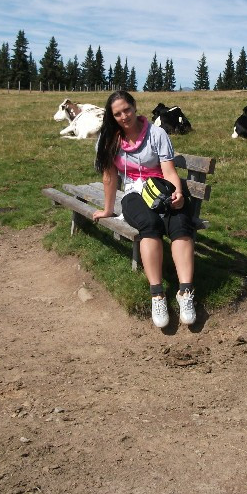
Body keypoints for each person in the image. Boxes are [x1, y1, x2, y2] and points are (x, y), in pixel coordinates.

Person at [92, 90, 196, 328]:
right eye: (117, 114)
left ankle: (185, 292)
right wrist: (108, 209)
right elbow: (109, 177)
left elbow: (169, 171)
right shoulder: (108, 138)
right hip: (133, 195)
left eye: (127, 110)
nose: (124, 116)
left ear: (135, 107)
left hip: (161, 188)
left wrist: (177, 192)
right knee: (150, 224)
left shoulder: (157, 134)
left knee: (180, 223)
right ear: (112, 116)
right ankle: (157, 295)